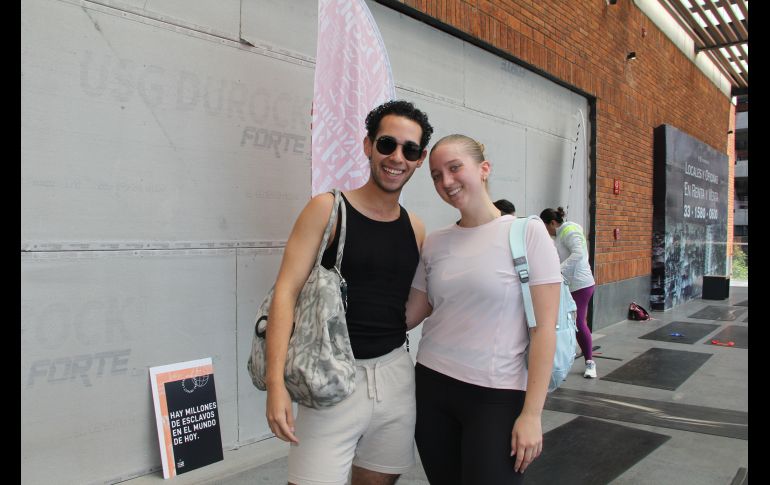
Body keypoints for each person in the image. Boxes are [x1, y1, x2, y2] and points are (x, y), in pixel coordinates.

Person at [265, 100, 434, 485]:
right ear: (367, 145)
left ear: (420, 158)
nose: (396, 157)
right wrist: (276, 385)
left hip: (395, 378)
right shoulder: (328, 209)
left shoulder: (416, 229)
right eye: (387, 144)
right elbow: (285, 293)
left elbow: (410, 303)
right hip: (330, 378)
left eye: (409, 150)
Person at [405, 134, 562, 484]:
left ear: (484, 169)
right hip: (431, 387)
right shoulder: (435, 242)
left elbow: (544, 329)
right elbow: (411, 314)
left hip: (496, 396)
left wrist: (532, 414)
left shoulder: (527, 233)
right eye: (435, 175)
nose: (446, 181)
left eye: (455, 167)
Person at [539, 206, 597, 378]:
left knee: (578, 323)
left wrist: (558, 269)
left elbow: (579, 253)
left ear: (552, 223)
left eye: (546, 227)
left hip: (581, 284)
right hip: (568, 284)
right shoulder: (561, 233)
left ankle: (590, 363)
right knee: (565, 323)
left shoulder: (569, 230)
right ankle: (562, 360)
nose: (547, 231)